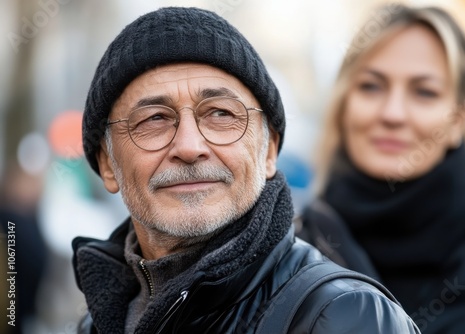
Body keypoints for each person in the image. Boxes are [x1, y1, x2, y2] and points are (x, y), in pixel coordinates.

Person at [72, 6, 419, 334]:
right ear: (107, 164)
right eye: (154, 119)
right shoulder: (97, 323)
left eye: (221, 114)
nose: (190, 147)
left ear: (268, 151)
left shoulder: (343, 315)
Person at [297, 4, 465, 334]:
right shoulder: (290, 251)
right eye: (371, 86)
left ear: (458, 121)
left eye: (424, 92)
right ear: (344, 107)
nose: (392, 113)